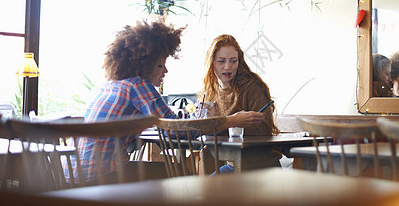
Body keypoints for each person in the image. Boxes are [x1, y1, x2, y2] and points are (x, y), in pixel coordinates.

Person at [69, 19, 265, 183]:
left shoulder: (108, 85)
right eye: (160, 65)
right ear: (144, 65)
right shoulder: (138, 85)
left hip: (74, 175)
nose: (166, 71)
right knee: (181, 174)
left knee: (170, 171)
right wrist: (233, 120)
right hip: (103, 176)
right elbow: (177, 128)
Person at [199, 34, 280, 174]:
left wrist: (223, 123)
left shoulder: (252, 86)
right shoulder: (211, 90)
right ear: (211, 62)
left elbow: (264, 130)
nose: (228, 67)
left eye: (233, 61)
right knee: (203, 191)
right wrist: (216, 122)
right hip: (233, 166)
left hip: (261, 166)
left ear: (239, 62)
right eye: (221, 61)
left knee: (207, 192)